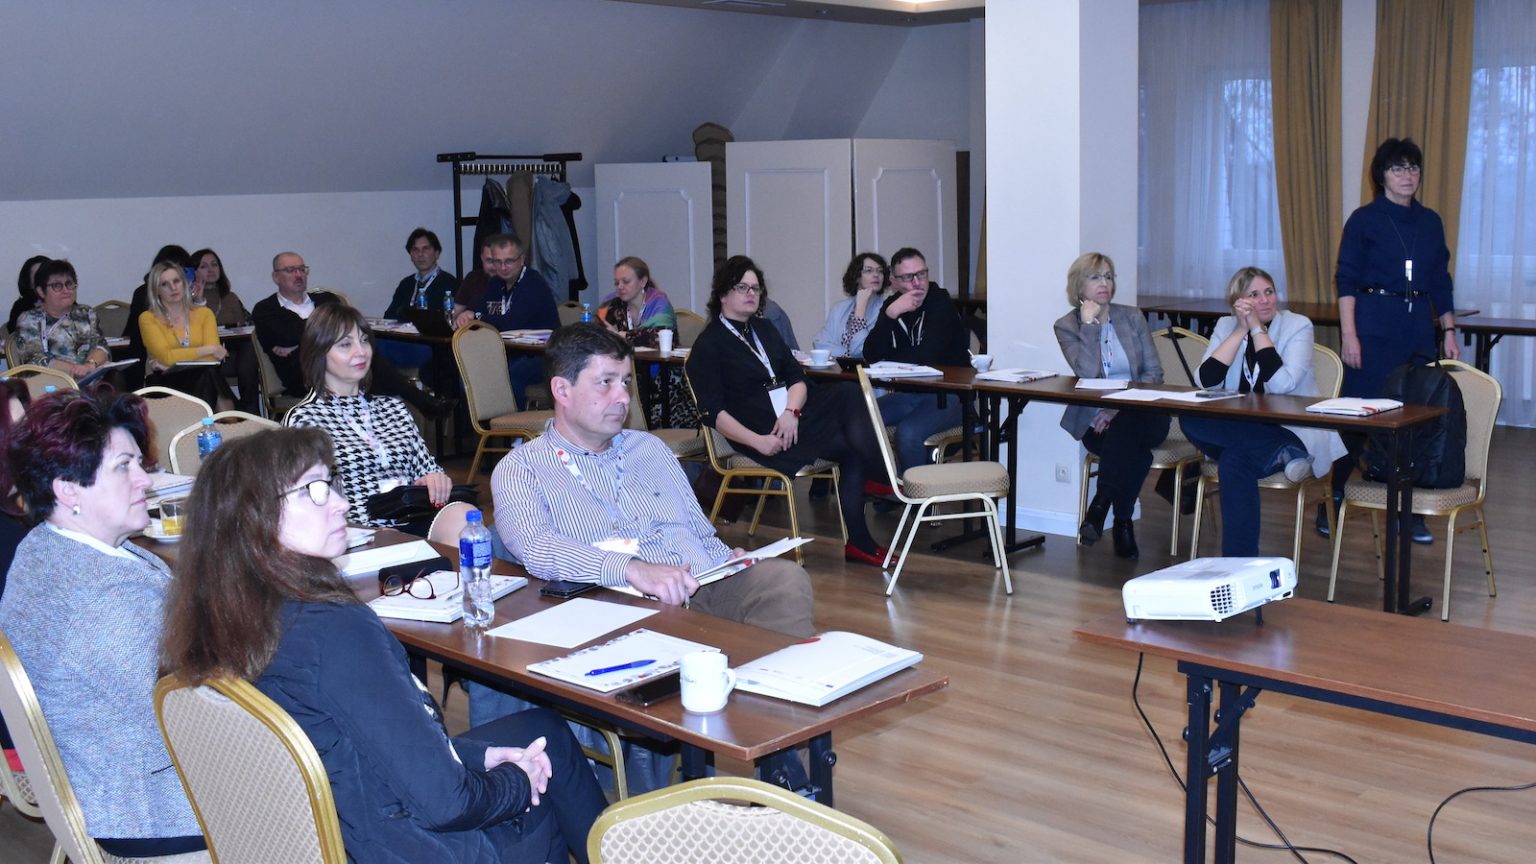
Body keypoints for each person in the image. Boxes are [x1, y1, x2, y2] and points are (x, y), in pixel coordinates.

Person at [158, 428, 605, 863]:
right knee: (543, 771)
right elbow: (448, 804)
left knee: (540, 729)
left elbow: (353, 740)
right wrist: (518, 782)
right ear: (255, 517)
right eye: (314, 490)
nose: (341, 503)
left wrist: (482, 757)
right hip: (412, 843)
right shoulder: (333, 630)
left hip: (344, 823)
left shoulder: (227, 613)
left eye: (330, 484)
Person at [487, 322, 818, 790]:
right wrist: (632, 570)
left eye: (626, 382)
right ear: (562, 389)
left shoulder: (651, 449)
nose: (622, 396)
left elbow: (698, 530)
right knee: (665, 610)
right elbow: (538, 549)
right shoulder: (521, 469)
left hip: (699, 584)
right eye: (605, 382)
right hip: (618, 606)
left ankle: (784, 760)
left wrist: (729, 558)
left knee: (782, 580)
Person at [0, 389, 206, 858]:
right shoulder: (103, 598)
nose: (144, 480)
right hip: (161, 811)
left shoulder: (43, 548)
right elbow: (188, 716)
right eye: (123, 466)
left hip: (108, 786)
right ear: (68, 489)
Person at [686, 257, 891, 566]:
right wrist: (759, 442)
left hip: (790, 421)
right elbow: (713, 414)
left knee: (849, 398)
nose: (751, 293)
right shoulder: (709, 344)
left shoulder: (764, 328)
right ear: (723, 294)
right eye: (742, 287)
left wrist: (792, 413)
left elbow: (796, 377)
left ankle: (860, 542)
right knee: (850, 418)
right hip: (758, 433)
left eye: (756, 288)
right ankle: (881, 479)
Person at [1328, 137, 1460, 544]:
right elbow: (1346, 281)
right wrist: (1349, 335)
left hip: (1417, 327)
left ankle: (1411, 510)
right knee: (1358, 418)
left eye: (1413, 168)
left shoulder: (1430, 221)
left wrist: (1449, 330)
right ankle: (1334, 496)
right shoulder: (1364, 220)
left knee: (1416, 421)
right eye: (1398, 168)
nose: (1408, 175)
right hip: (1372, 325)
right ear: (1381, 176)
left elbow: (1440, 281)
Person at [1181, 267, 1347, 557]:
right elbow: (1205, 381)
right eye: (1254, 295)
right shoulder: (1225, 326)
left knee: (1233, 460)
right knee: (1190, 417)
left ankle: (1238, 562)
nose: (1265, 300)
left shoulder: (1297, 325)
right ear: (1238, 302)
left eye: (1269, 292)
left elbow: (1282, 385)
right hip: (1242, 427)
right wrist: (1240, 330)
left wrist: (1257, 330)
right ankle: (1285, 453)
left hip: (1290, 426)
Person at [284, 304, 472, 538]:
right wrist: (364, 531)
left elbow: (427, 468)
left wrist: (434, 478)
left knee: (465, 517)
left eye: (364, 341)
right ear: (319, 352)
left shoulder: (392, 408)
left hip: (411, 516)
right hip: (353, 530)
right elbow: (305, 502)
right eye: (345, 345)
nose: (361, 351)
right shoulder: (306, 419)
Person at [1052, 252, 1170, 560]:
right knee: (1136, 453)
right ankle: (1122, 524)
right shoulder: (1067, 326)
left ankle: (1100, 503)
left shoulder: (1132, 317)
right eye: (1095, 277)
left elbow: (1154, 374)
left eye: (1108, 276)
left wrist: (1117, 408)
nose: (1104, 283)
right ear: (1079, 285)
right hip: (1096, 423)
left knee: (1127, 424)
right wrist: (1089, 325)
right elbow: (1087, 373)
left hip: (1146, 414)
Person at [253, 251, 452, 417]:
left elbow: (349, 326)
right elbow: (287, 334)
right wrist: (328, 332)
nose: (298, 275)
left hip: (344, 365)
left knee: (365, 354)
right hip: (303, 376)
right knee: (364, 364)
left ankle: (381, 431)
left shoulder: (326, 299)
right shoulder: (265, 309)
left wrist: (302, 342)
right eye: (290, 270)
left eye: (302, 269)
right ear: (275, 277)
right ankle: (420, 402)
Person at [864, 247, 970, 472]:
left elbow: (928, 356)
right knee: (859, 417)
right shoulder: (893, 305)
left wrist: (891, 359)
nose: (917, 283)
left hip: (950, 395)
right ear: (894, 281)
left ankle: (918, 493)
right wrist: (889, 315)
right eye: (908, 277)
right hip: (910, 393)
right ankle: (890, 483)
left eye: (921, 274)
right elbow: (871, 354)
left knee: (908, 432)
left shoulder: (940, 302)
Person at [451, 234, 559, 409]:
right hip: (507, 350)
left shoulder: (533, 283)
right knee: (468, 370)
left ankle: (513, 424)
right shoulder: (495, 283)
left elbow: (512, 322)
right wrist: (468, 314)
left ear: (522, 259)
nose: (502, 267)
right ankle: (479, 422)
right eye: (497, 262)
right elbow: (477, 309)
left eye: (509, 261)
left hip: (541, 355)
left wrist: (478, 317)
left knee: (510, 375)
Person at [598, 256, 694, 429]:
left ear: (642, 281)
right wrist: (624, 336)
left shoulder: (660, 303)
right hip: (627, 368)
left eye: (626, 281)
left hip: (663, 372)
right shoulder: (612, 304)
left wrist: (621, 335)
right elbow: (598, 334)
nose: (620, 287)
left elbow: (657, 338)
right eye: (617, 282)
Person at [139, 260, 235, 411]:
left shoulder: (204, 314)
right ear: (156, 290)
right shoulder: (148, 318)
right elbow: (167, 356)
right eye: (165, 284)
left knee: (207, 373)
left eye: (176, 281)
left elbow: (212, 360)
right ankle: (230, 420)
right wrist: (208, 349)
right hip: (166, 381)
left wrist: (171, 364)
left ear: (184, 283)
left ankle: (220, 420)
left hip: (196, 375)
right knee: (208, 375)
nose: (173, 288)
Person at [379, 228, 459, 387]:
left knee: (378, 352)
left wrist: (407, 316)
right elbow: (389, 315)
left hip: (429, 345)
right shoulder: (406, 284)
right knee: (372, 344)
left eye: (425, 249)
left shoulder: (449, 283)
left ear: (437, 253)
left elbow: (443, 321)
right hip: (403, 340)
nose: (420, 254)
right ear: (410, 255)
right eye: (415, 250)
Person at [189, 247, 261, 413]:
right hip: (206, 356)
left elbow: (248, 326)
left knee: (250, 350)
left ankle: (250, 410)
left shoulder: (230, 297)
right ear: (193, 272)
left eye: (214, 265)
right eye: (203, 266)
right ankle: (242, 411)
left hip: (233, 354)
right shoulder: (187, 300)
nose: (211, 269)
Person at [13, 259, 111, 380]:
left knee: (116, 377)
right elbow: (34, 360)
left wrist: (90, 365)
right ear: (41, 291)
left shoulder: (86, 313)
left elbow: (101, 347)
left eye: (69, 284)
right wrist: (75, 369)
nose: (66, 290)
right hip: (49, 383)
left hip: (90, 380)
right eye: (57, 286)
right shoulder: (29, 319)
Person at [813, 252, 889, 359]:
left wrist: (860, 311)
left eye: (880, 271)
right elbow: (820, 343)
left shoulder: (887, 310)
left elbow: (862, 351)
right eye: (869, 270)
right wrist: (847, 356)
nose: (876, 275)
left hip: (869, 369)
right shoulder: (839, 308)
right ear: (857, 276)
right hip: (837, 368)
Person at [7, 255, 49, 332]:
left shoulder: (65, 300)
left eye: (45, 273)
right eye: (37, 275)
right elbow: (11, 333)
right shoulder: (21, 307)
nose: (42, 278)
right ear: (29, 282)